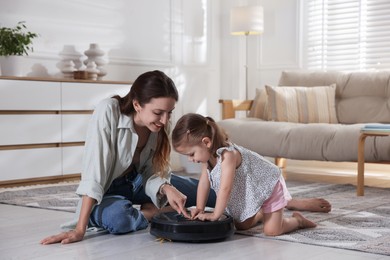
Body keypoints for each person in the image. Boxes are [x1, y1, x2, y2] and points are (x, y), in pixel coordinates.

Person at [41, 70, 328, 245]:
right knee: (117, 219)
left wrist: (165, 188)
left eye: (169, 113)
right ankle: (141, 213)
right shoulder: (108, 112)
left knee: (219, 198)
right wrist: (80, 230)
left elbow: (155, 173)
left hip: (140, 185)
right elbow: (94, 172)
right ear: (138, 104)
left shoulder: (157, 127)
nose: (164, 120)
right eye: (158, 113)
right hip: (108, 190)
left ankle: (285, 201)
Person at [172, 113, 317, 236]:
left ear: (206, 142)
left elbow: (225, 188)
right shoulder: (208, 160)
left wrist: (215, 214)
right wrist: (199, 208)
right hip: (253, 190)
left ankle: (297, 220)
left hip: (268, 185)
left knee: (272, 231)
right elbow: (204, 183)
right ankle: (261, 211)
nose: (190, 159)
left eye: (191, 154)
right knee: (241, 225)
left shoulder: (228, 155)